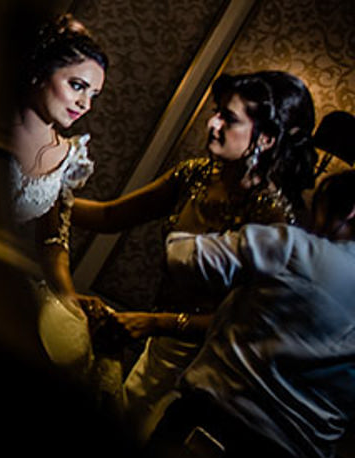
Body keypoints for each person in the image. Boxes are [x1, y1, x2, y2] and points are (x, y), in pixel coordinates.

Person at [74, 70, 315, 438]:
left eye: (228, 118)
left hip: (211, 373)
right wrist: (46, 194)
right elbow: (111, 215)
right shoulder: (197, 174)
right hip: (160, 350)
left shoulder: (277, 222)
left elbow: (248, 323)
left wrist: (156, 323)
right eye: (217, 111)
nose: (213, 123)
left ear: (265, 139)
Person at [149, 169, 355, 458]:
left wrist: (220, 221)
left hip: (214, 440)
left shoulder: (295, 247)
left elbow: (181, 256)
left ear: (346, 211)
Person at [4, 16, 118, 390]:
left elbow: (53, 241)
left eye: (93, 95)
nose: (85, 104)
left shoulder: (71, 158)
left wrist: (67, 298)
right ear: (40, 72)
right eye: (77, 86)